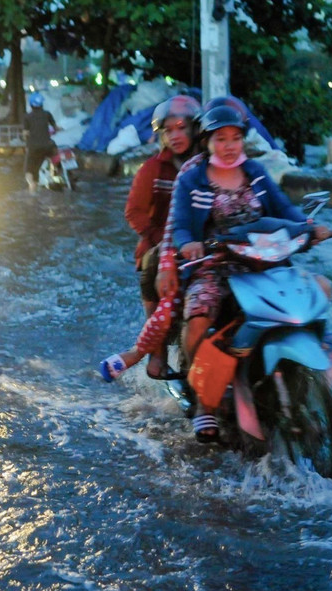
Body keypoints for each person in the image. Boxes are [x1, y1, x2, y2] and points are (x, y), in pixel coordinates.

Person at [169, 105, 332, 442]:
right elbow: (181, 226)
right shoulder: (191, 180)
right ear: (207, 142)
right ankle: (203, 400)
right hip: (216, 264)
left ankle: (312, 372)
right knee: (199, 316)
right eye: (221, 139)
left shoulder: (256, 172)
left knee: (319, 290)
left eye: (235, 138)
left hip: (266, 259)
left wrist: (309, 227)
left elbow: (283, 208)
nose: (229, 145)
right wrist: (189, 245)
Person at [99, 94, 202, 383]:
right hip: (161, 248)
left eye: (181, 128)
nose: (175, 136)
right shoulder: (153, 169)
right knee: (154, 263)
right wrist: (164, 241)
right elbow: (134, 212)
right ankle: (157, 353)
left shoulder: (208, 166)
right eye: (168, 131)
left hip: (203, 245)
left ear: (195, 129)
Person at [22, 92, 59, 194]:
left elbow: (25, 133)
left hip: (34, 147)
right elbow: (55, 127)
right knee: (54, 156)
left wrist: (26, 138)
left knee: (29, 170)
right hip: (48, 147)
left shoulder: (27, 117)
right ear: (42, 104)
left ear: (31, 104)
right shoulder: (47, 114)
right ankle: (56, 171)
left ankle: (31, 184)